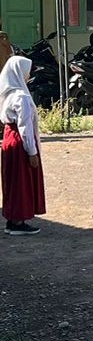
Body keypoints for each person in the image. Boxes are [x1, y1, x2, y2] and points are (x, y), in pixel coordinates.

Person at [0, 56, 45, 235]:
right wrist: (32, 152)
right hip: (19, 143)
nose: (28, 76)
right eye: (27, 72)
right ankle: (18, 221)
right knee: (21, 182)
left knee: (11, 180)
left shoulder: (7, 94)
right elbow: (25, 127)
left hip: (9, 140)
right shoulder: (21, 97)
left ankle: (12, 219)